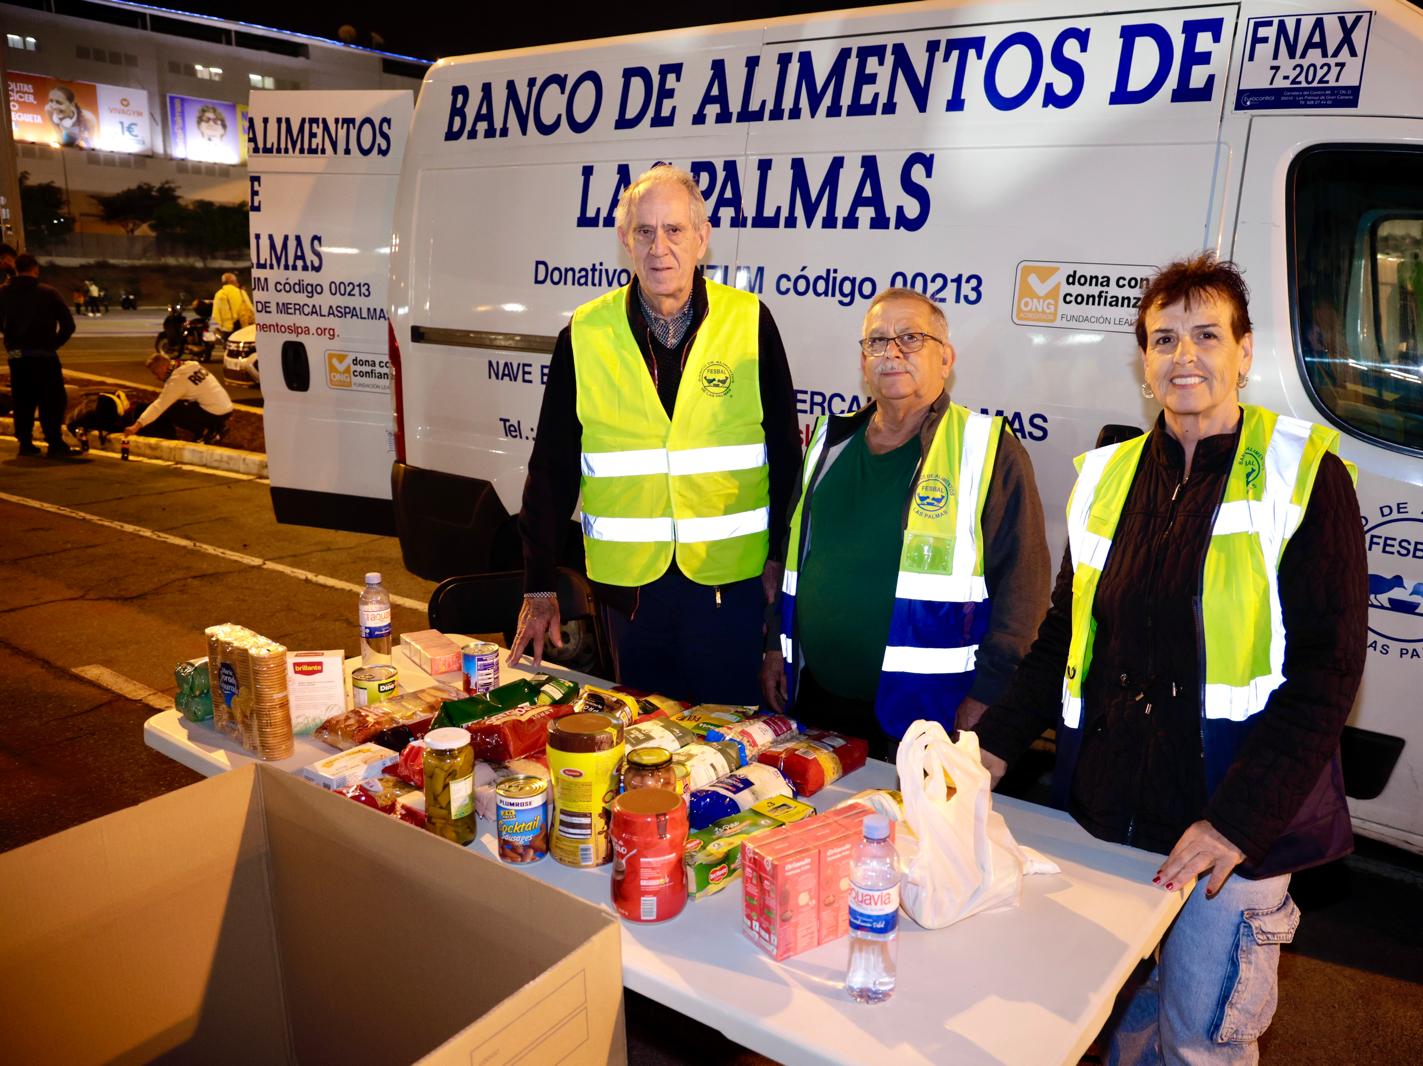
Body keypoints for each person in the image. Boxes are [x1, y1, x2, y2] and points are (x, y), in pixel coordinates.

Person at [974, 254, 1366, 1064]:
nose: (1185, 355)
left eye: (1207, 335)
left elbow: (1327, 676)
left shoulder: (1305, 478)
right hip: (1112, 816)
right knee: (1111, 1023)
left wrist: (1235, 825)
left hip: (1227, 835)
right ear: (1143, 363)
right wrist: (992, 746)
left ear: (1245, 353)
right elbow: (1063, 637)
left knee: (1198, 1045)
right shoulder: (1110, 475)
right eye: (1164, 338)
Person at [510, 164, 801, 704]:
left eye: (674, 230)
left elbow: (787, 457)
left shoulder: (750, 322)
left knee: (728, 740)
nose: (659, 247)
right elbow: (550, 468)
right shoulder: (585, 334)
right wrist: (540, 584)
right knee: (647, 741)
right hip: (631, 597)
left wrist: (780, 562)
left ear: (702, 238)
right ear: (626, 240)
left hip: (728, 586)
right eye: (645, 231)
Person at [760, 287, 1050, 755]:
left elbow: (1024, 592)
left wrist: (989, 697)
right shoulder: (827, 444)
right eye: (876, 341)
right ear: (862, 361)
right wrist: (776, 646)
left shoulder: (987, 449)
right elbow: (792, 560)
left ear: (946, 358)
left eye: (911, 338)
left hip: (928, 716)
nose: (892, 352)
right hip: (815, 700)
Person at [1, 253, 76, 457]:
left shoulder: (4, 293)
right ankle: (54, 442)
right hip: (44, 356)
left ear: (16, 269)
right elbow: (68, 325)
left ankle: (25, 443)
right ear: (35, 269)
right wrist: (53, 344)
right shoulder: (48, 293)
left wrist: (11, 341)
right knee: (51, 399)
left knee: (23, 399)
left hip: (17, 357)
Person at [126, 352, 233, 443]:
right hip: (226, 408)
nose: (157, 378)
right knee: (183, 403)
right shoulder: (189, 365)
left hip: (215, 412)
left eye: (156, 373)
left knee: (170, 409)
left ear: (163, 367)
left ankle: (206, 432)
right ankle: (218, 427)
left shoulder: (177, 380)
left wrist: (136, 426)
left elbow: (159, 405)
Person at [45, 85, 97, 149]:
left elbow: (91, 142)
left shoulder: (88, 118)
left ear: (71, 104)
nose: (54, 106)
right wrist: (62, 143)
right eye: (51, 101)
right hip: (68, 136)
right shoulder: (49, 109)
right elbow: (58, 132)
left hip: (84, 139)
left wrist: (82, 145)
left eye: (59, 103)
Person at [212, 272, 251, 344]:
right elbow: (250, 309)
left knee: (229, 352)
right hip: (243, 327)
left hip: (227, 330)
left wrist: (216, 328)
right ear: (232, 281)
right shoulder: (241, 292)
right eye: (236, 281)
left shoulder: (219, 294)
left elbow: (215, 315)